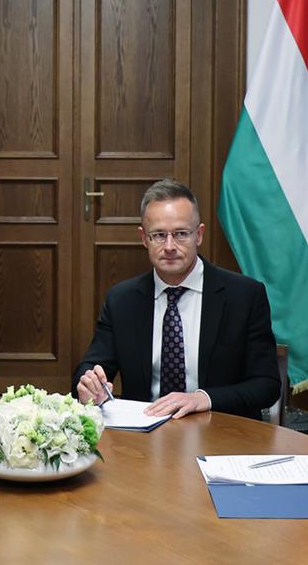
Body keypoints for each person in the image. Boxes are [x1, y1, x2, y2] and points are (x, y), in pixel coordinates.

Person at [72, 179, 279, 421]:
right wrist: (88, 383)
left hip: (219, 430)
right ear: (143, 238)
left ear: (199, 234)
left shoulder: (244, 296)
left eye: (181, 234)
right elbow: (90, 368)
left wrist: (203, 398)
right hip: (143, 436)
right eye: (159, 235)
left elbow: (267, 385)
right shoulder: (122, 300)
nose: (169, 246)